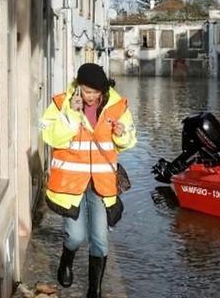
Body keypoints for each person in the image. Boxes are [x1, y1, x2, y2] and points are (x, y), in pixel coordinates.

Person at [39, 63, 137, 297]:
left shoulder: (118, 106)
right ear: (78, 87)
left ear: (103, 90)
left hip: (101, 184)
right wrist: (71, 116)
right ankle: (66, 260)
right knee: (75, 236)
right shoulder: (60, 103)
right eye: (86, 91)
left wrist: (122, 135)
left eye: (95, 92)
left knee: (100, 240)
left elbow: (130, 140)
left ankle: (95, 291)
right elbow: (49, 136)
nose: (90, 97)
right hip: (70, 184)